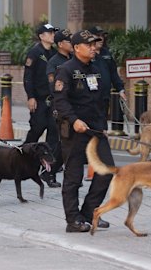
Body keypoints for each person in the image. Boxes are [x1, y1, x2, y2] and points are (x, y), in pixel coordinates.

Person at [53, 30, 115, 233]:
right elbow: (60, 101)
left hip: (96, 130)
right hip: (75, 131)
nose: (93, 48)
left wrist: (104, 127)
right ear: (76, 47)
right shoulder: (66, 70)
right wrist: (73, 120)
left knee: (106, 171)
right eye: (89, 45)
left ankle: (89, 212)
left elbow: (101, 98)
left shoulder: (97, 68)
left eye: (94, 44)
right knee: (73, 177)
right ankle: (73, 219)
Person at [23, 23, 60, 188]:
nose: (52, 35)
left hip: (52, 100)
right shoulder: (34, 53)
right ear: (41, 36)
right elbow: (28, 77)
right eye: (49, 33)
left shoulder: (54, 53)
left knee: (53, 132)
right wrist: (30, 97)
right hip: (38, 99)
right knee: (37, 130)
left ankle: (48, 171)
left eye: (53, 32)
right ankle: (23, 158)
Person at [42, 28, 74, 187]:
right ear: (61, 44)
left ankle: (70, 175)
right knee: (59, 143)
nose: (72, 44)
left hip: (75, 108)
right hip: (60, 107)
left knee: (71, 142)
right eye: (69, 41)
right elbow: (54, 87)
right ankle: (49, 172)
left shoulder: (74, 59)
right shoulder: (54, 63)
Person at [88, 26, 126, 125]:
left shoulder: (106, 53)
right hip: (90, 97)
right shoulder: (86, 54)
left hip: (104, 96)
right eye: (98, 36)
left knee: (103, 124)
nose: (101, 39)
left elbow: (113, 73)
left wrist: (120, 89)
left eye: (102, 36)